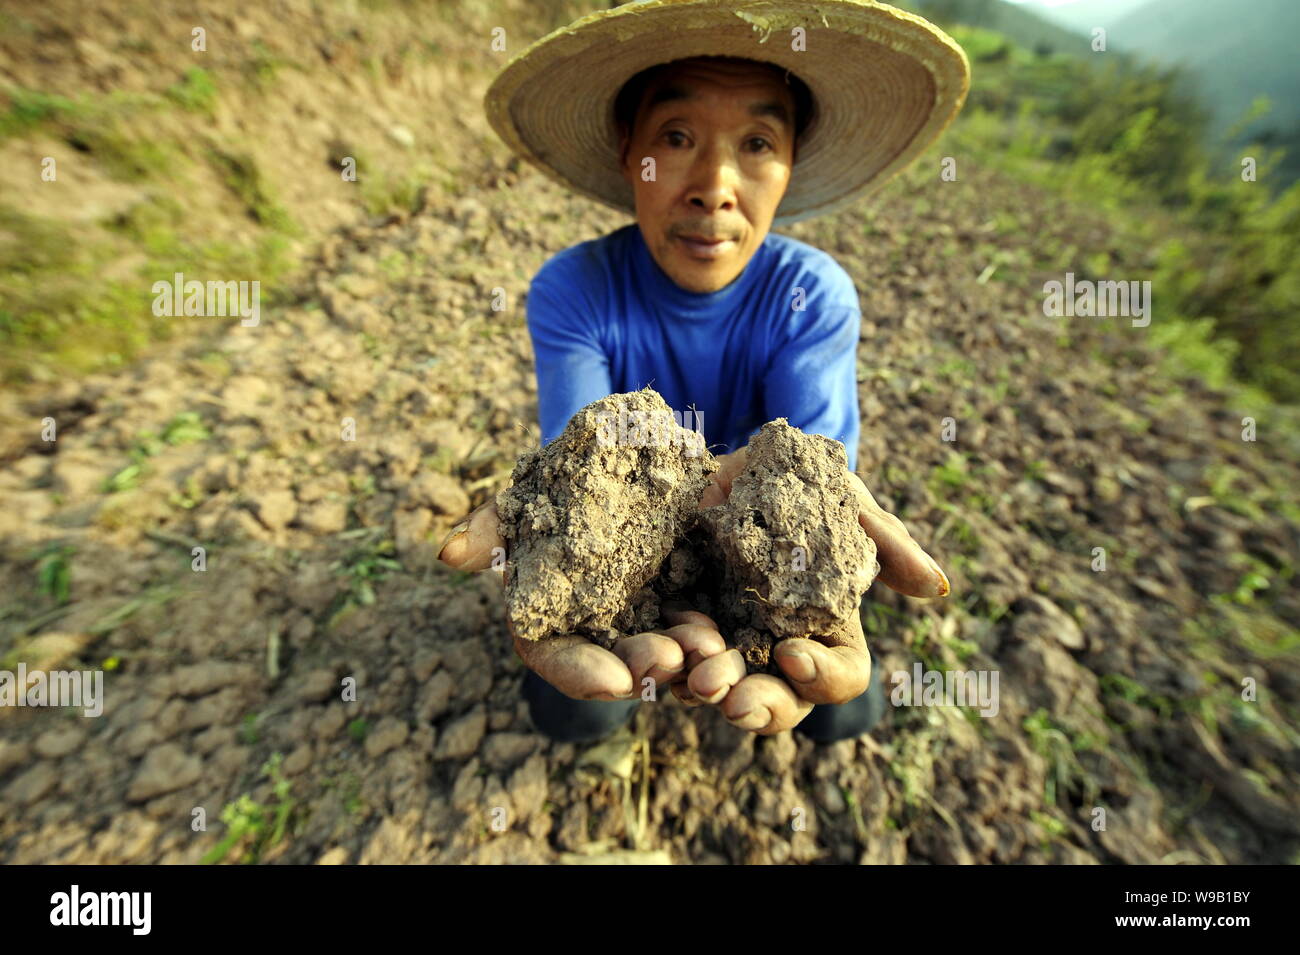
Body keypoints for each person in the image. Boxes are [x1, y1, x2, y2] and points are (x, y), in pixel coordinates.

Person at [440, 0, 970, 743]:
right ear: (630, 150)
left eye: (757, 142)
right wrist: (575, 534)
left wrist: (770, 532)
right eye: (678, 137)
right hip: (629, 556)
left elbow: (809, 474)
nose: (715, 184)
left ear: (791, 166)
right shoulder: (576, 289)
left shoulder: (807, 297)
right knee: (579, 701)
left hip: (760, 553)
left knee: (839, 702)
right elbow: (579, 468)